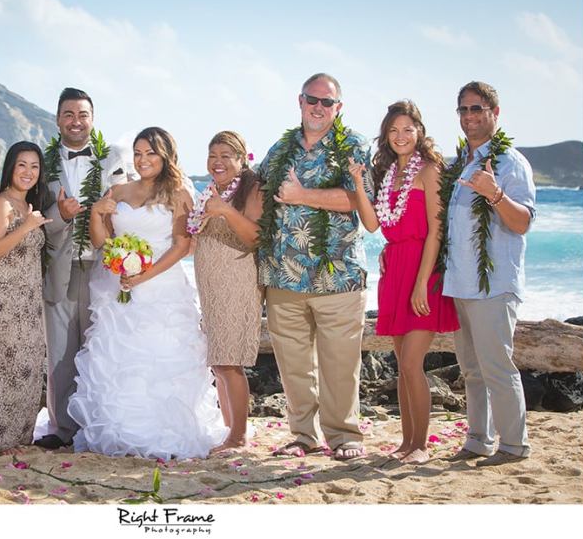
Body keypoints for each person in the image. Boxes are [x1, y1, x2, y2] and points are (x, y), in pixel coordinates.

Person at [66, 127, 224, 459]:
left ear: (165, 155)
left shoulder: (178, 193)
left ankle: (162, 432)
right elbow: (101, 242)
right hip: (120, 289)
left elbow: (182, 246)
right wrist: (96, 213)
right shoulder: (119, 191)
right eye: (138, 153)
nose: (142, 159)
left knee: (159, 359)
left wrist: (143, 277)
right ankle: (121, 431)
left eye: (150, 153)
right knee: (120, 361)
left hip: (162, 289)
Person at [257, 73, 372, 461]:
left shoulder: (353, 146)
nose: (318, 107)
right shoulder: (281, 148)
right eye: (312, 99)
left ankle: (344, 435)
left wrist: (302, 195)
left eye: (327, 102)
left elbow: (361, 201)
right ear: (300, 100)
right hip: (283, 273)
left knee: (340, 363)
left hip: (338, 275)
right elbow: (258, 198)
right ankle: (302, 435)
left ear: (339, 108)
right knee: (293, 365)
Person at [348, 100, 460, 464]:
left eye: (408, 129)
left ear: (420, 132)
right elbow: (371, 225)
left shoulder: (428, 171)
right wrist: (357, 183)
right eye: (394, 130)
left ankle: (422, 446)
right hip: (394, 266)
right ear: (386, 135)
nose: (401, 136)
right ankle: (407, 443)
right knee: (401, 363)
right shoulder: (386, 174)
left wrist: (421, 282)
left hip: (422, 270)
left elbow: (436, 232)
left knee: (413, 363)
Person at [442, 81, 536, 467]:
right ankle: (479, 439)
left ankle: (514, 445)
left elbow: (523, 222)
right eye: (463, 109)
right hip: (461, 283)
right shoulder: (462, 163)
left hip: (494, 285)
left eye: (477, 109)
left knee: (497, 367)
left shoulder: (510, 163)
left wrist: (495, 194)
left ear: (495, 114)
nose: (469, 117)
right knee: (472, 370)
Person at [36, 87, 133, 450]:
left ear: (93, 119)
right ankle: (62, 428)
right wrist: (57, 215)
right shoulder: (41, 162)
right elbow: (29, 215)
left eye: (83, 115)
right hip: (58, 265)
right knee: (60, 350)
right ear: (58, 118)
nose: (76, 122)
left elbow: (128, 207)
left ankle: (97, 424)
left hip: (102, 267)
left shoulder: (115, 157)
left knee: (99, 347)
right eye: (68, 115)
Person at [191, 131, 263, 454]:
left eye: (225, 156)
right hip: (212, 285)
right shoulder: (210, 193)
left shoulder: (251, 189)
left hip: (237, 281)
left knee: (230, 361)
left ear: (241, 159)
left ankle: (238, 436)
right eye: (212, 155)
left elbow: (254, 238)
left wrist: (225, 211)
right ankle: (226, 430)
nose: (217, 162)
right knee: (219, 361)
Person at [0, 142, 51, 455]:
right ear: (10, 167)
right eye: (22, 165)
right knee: (6, 368)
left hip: (29, 301)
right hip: (5, 300)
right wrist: (27, 227)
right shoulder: (2, 204)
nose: (28, 172)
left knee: (29, 367)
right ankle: (2, 439)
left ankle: (21, 437)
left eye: (34, 166)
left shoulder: (28, 207)